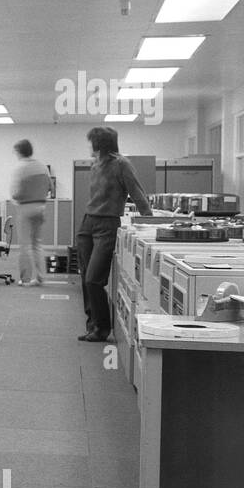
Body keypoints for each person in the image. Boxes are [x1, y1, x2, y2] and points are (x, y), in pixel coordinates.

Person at [76, 126, 152, 342]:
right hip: (87, 223)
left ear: (100, 143)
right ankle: (93, 325)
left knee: (94, 279)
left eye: (91, 141)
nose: (89, 146)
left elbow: (137, 192)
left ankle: (102, 328)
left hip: (107, 225)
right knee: (85, 277)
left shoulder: (121, 164)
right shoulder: (95, 165)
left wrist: (150, 222)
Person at [9, 139, 51, 287]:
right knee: (36, 244)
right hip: (41, 207)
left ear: (20, 152)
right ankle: (40, 278)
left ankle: (25, 279)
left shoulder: (20, 168)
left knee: (24, 245)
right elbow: (49, 187)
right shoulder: (42, 167)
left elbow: (16, 193)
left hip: (25, 208)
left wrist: (18, 198)